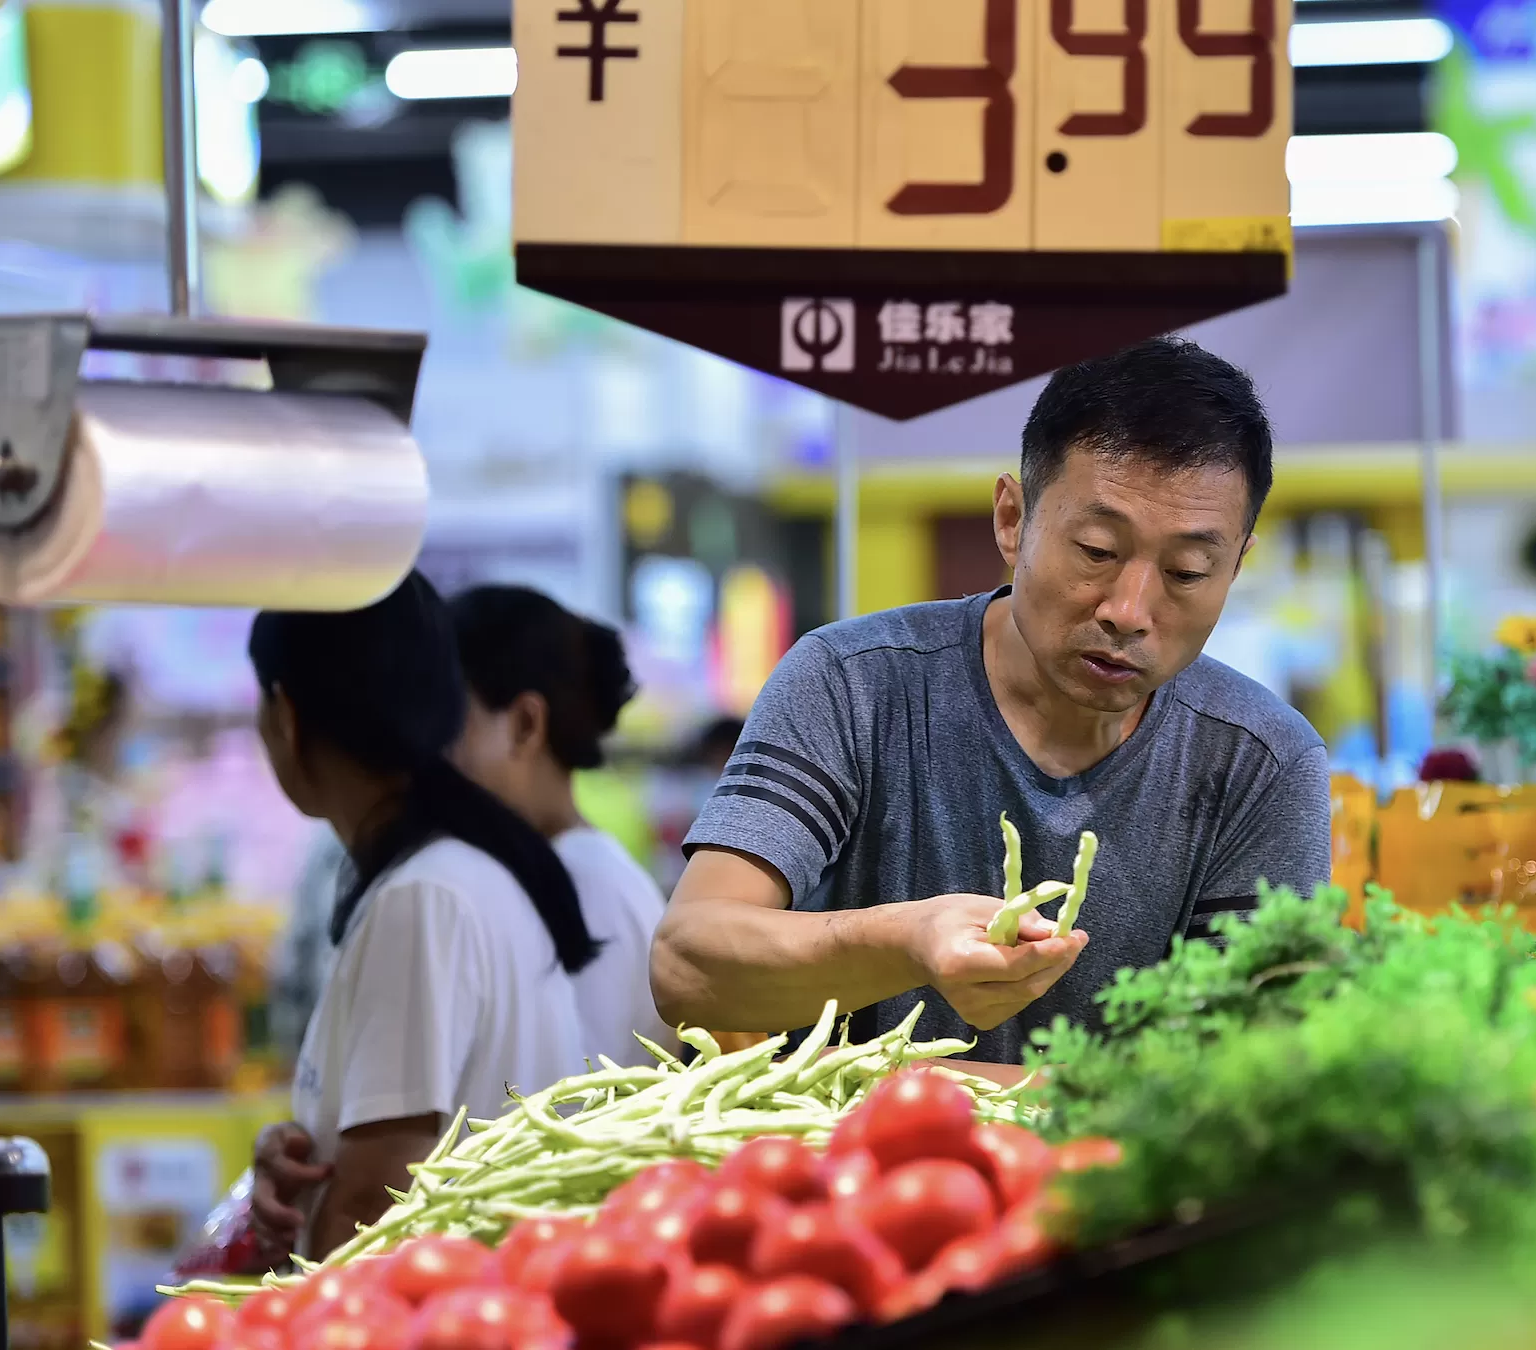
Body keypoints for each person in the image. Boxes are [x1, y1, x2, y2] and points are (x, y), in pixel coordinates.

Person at [651, 337, 1332, 1066]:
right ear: (1012, 520)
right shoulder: (853, 683)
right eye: (1098, 551)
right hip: (851, 1174)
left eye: (1188, 571)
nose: (1130, 609)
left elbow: (1255, 1070)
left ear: (1235, 568)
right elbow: (688, 964)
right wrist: (907, 942)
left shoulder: (1262, 763)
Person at [246, 572, 597, 1260]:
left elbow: (371, 1207)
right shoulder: (456, 870)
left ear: (286, 716)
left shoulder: (423, 897)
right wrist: (300, 1150)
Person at [448, 584, 672, 1064]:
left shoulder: (587, 887)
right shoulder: (564, 870)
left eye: (448, 719)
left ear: (526, 724)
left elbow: (567, 1100)